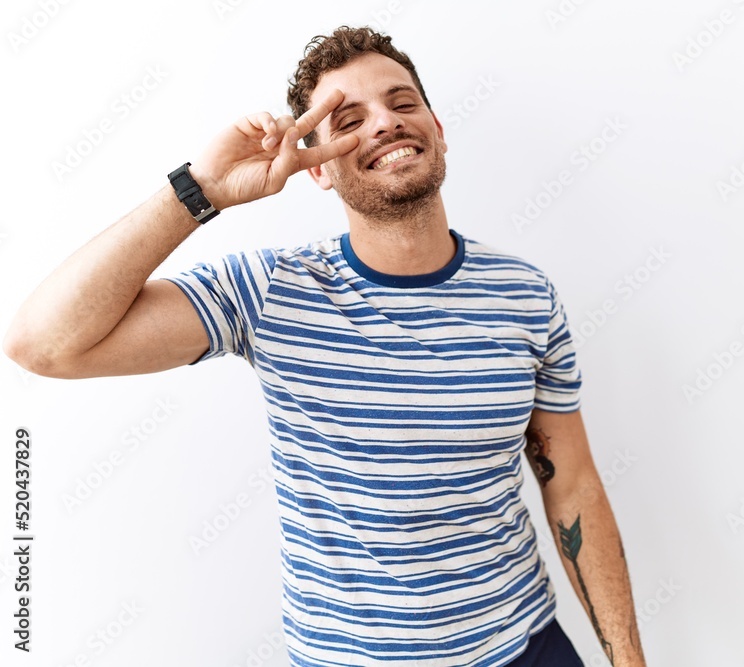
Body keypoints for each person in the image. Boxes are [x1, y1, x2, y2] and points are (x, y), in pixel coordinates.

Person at [4, 25, 646, 667]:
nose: (385, 125)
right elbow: (43, 344)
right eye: (347, 119)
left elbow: (575, 485)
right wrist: (201, 188)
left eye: (402, 104)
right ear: (318, 169)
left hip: (525, 646)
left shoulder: (524, 295)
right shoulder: (269, 289)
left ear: (438, 127)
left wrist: (627, 661)